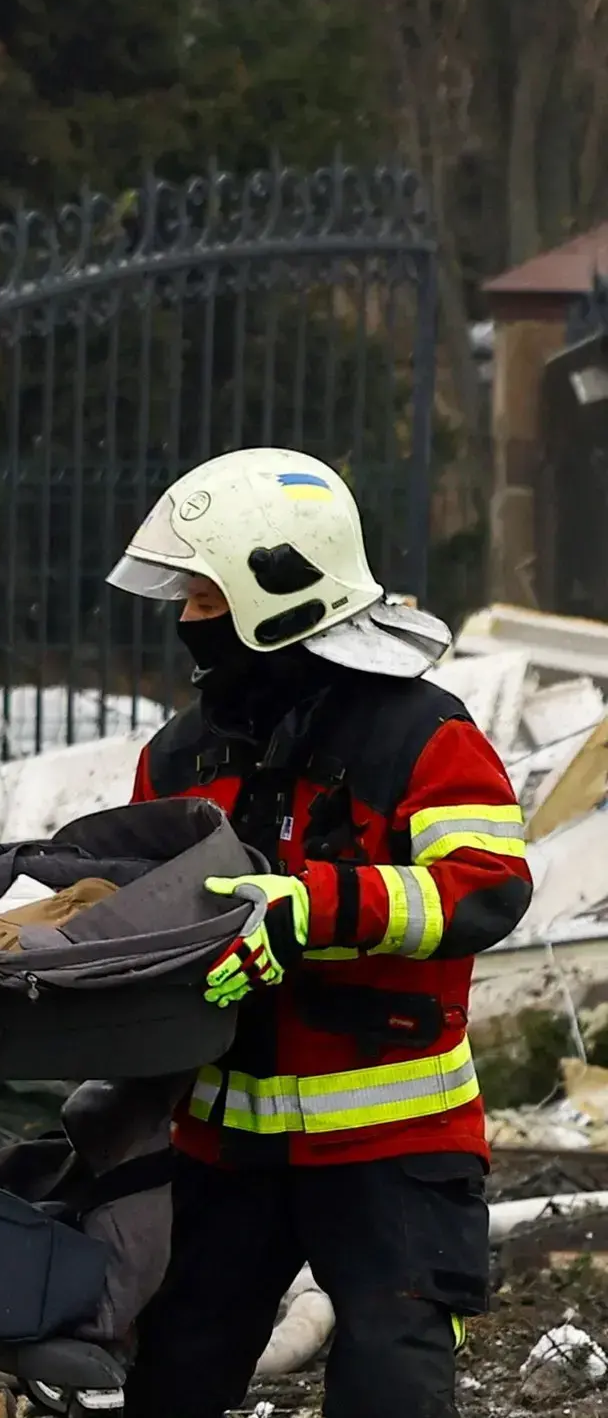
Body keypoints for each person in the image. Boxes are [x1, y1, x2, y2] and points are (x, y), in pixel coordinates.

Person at [109, 450, 531, 1418]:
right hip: (220, 1148)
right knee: (172, 1376)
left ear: (280, 594)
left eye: (207, 599)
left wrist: (313, 908)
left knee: (390, 1381)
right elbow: (140, 902)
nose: (187, 621)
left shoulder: (424, 736)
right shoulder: (178, 756)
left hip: (393, 1146)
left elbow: (485, 888)